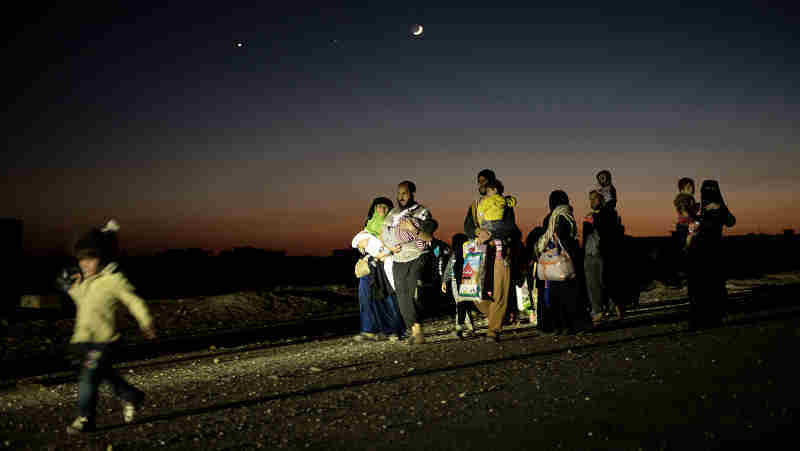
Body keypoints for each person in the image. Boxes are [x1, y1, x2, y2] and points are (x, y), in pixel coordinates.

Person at [64, 220, 156, 434]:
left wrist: (146, 322)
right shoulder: (84, 281)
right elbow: (83, 304)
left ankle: (85, 419)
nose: (85, 264)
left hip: (106, 340)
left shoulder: (114, 280)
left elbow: (133, 301)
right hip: (83, 339)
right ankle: (130, 394)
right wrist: (71, 289)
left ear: (103, 257)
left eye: (91, 258)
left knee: (89, 377)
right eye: (81, 259)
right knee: (101, 373)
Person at [463, 169, 519, 343]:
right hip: (478, 251)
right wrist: (478, 232)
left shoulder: (504, 203)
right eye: (479, 181)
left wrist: (492, 235)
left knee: (500, 290)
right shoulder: (474, 206)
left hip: (500, 250)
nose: (482, 184)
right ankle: (500, 314)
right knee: (472, 292)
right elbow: (467, 227)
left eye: (486, 181)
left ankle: (493, 329)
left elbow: (510, 226)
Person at [534, 190, 593, 335]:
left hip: (555, 262)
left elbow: (553, 235)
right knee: (571, 296)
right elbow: (565, 236)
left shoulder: (553, 216)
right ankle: (575, 326)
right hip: (566, 260)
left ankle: (557, 326)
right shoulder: (566, 214)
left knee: (555, 297)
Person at [381, 181, 432, 345]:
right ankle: (415, 330)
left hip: (417, 254)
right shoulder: (392, 213)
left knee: (412, 292)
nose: (401, 196)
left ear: (412, 194)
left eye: (405, 193)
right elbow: (384, 232)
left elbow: (428, 232)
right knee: (402, 295)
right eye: (399, 193)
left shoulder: (421, 211)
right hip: (398, 257)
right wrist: (390, 246)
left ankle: (417, 329)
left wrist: (413, 228)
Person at [351, 197, 405, 342]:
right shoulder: (369, 224)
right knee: (366, 296)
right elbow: (359, 242)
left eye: (386, 207)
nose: (382, 209)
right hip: (371, 265)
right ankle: (369, 330)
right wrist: (364, 245)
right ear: (373, 209)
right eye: (378, 206)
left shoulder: (395, 224)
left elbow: (397, 246)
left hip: (387, 264)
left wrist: (380, 250)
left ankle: (394, 330)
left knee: (389, 298)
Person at [687, 180, 736, 330]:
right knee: (702, 285)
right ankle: (702, 318)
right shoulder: (701, 206)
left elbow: (730, 221)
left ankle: (710, 318)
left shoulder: (718, 206)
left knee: (710, 285)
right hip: (702, 249)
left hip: (711, 249)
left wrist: (719, 208)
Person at [583, 189, 624, 323]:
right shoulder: (591, 216)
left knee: (605, 281)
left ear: (602, 199)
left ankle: (610, 307)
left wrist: (593, 221)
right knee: (594, 283)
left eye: (595, 198)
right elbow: (586, 234)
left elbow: (609, 231)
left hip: (604, 252)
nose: (592, 201)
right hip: (591, 252)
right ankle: (599, 309)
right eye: (590, 199)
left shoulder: (608, 214)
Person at [441, 233, 477, 338]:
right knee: (462, 304)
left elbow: (448, 268)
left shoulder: (459, 255)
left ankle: (462, 328)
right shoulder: (463, 254)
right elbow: (449, 268)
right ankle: (466, 328)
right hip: (458, 281)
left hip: (460, 281)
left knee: (461, 304)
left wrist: (444, 280)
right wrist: (444, 281)